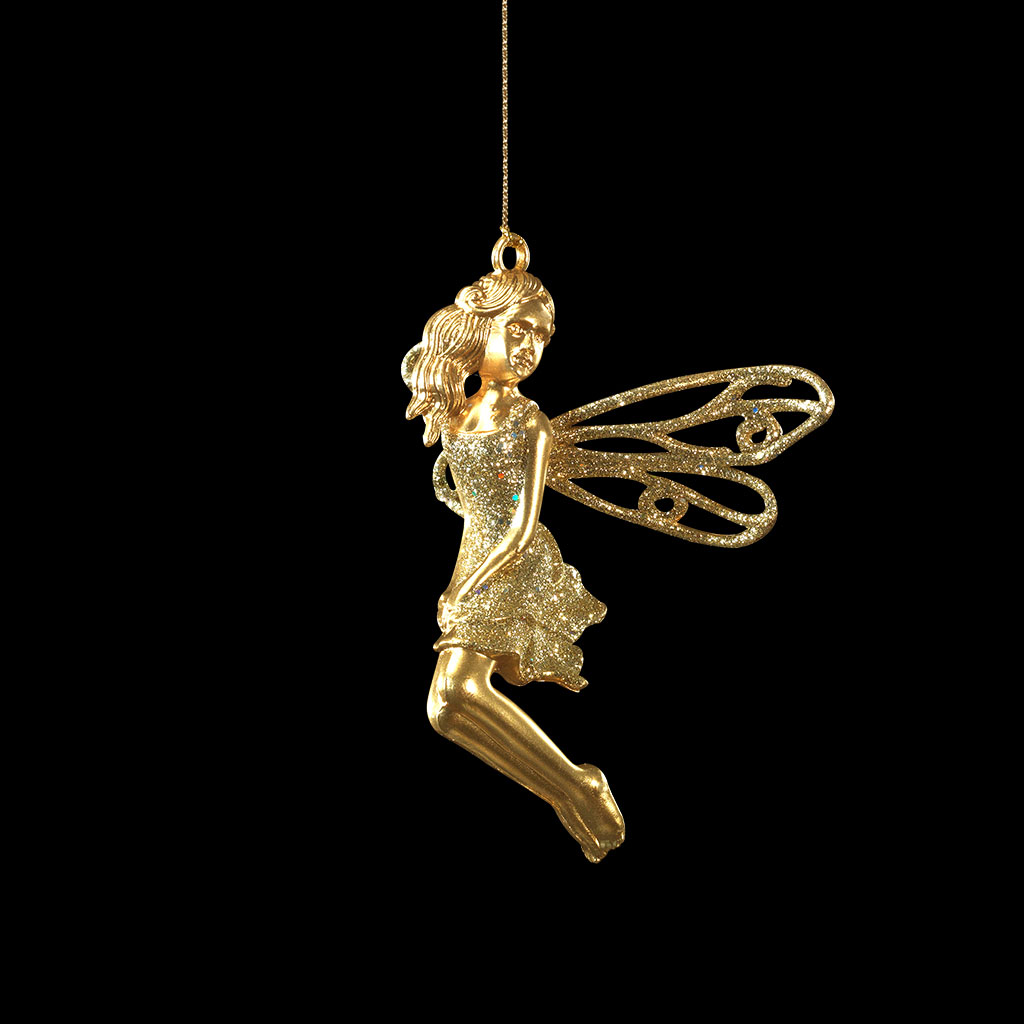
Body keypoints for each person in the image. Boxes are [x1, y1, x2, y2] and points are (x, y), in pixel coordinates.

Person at [403, 266, 625, 863]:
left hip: (514, 566)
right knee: (446, 709)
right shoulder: (454, 416)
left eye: (542, 338)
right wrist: (456, 582)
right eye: (519, 330)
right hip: (474, 559)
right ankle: (571, 786)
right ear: (480, 327)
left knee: (454, 692)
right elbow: (471, 517)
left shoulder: (530, 422)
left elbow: (519, 527)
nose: (530, 348)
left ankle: (577, 787)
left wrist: (470, 586)